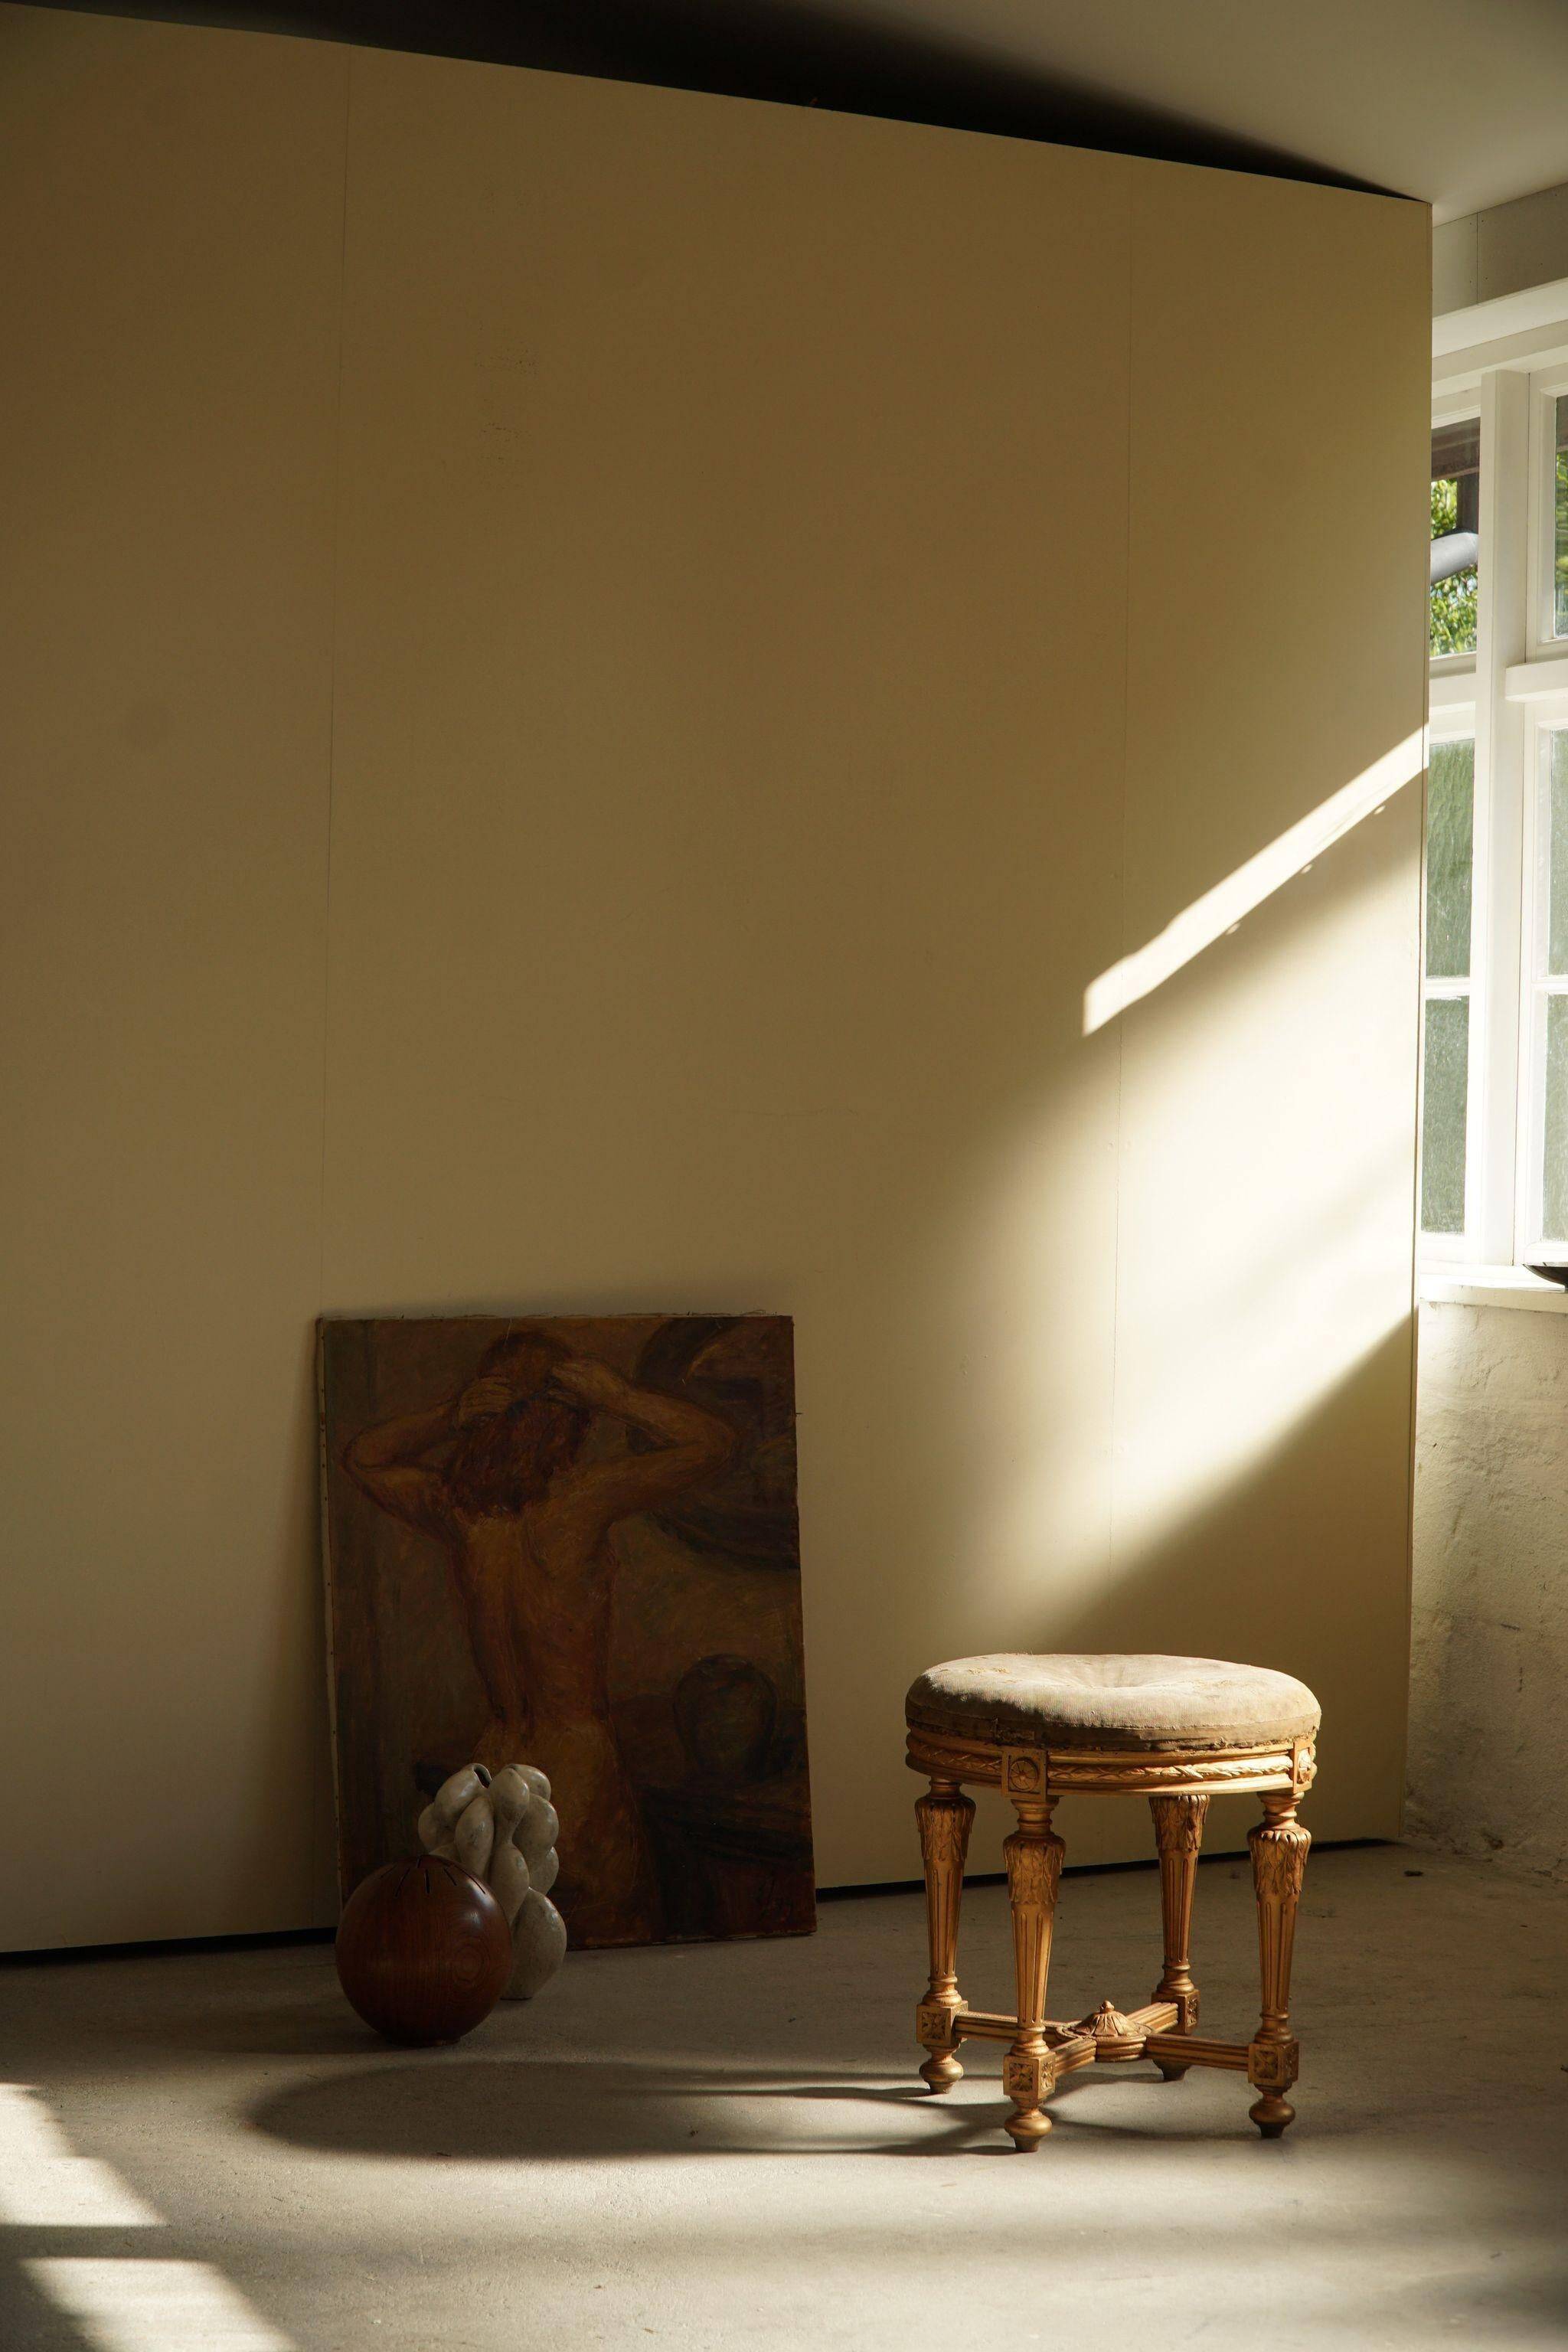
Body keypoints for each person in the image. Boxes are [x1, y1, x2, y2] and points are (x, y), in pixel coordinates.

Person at [343, 1326, 735, 1944]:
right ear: (566, 1421)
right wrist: (621, 1397)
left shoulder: (463, 1513)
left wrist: (448, 1415)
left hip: (496, 1762)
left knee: (505, 1942)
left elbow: (365, 1458)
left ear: (485, 1418)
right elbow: (714, 1443)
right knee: (594, 1941)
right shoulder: (581, 1501)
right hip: (574, 1770)